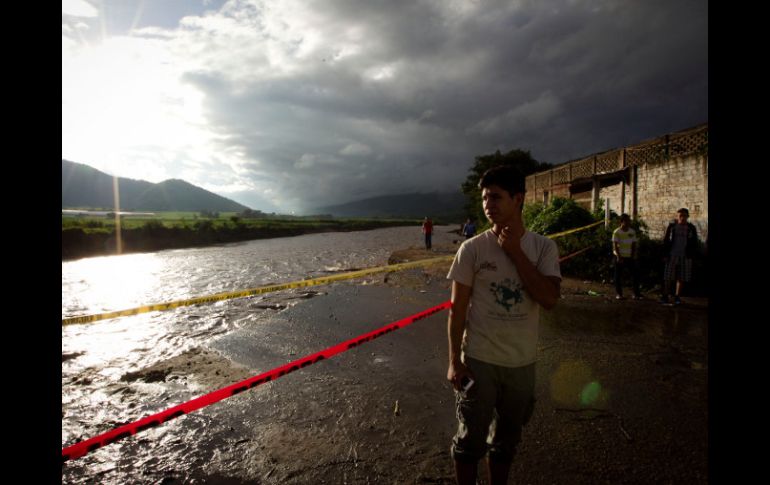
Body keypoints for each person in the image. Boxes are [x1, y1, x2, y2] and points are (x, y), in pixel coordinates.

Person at [446, 165, 561, 485]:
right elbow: (457, 310)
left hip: (522, 364)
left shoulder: (543, 248)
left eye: (496, 197)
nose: (488, 204)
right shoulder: (472, 249)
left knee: (506, 442)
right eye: (484, 198)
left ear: (518, 199)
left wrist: (514, 252)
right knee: (469, 441)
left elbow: (549, 299)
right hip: (479, 362)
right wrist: (455, 361)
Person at [660, 208, 699, 305]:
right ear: (677, 217)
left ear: (687, 216)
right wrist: (665, 254)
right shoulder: (672, 227)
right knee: (668, 276)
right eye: (680, 215)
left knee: (681, 277)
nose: (682, 218)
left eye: (684, 215)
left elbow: (694, 242)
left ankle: (677, 296)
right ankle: (665, 295)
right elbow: (666, 240)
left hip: (685, 256)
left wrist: (692, 255)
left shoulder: (691, 228)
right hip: (672, 255)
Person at [612, 214, 641, 300]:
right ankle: (619, 294)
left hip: (629, 256)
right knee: (618, 276)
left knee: (634, 275)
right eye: (626, 221)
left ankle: (636, 293)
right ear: (621, 222)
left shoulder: (632, 232)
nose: (628, 223)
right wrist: (618, 256)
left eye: (629, 221)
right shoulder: (617, 232)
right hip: (620, 256)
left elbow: (634, 244)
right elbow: (615, 245)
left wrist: (633, 255)